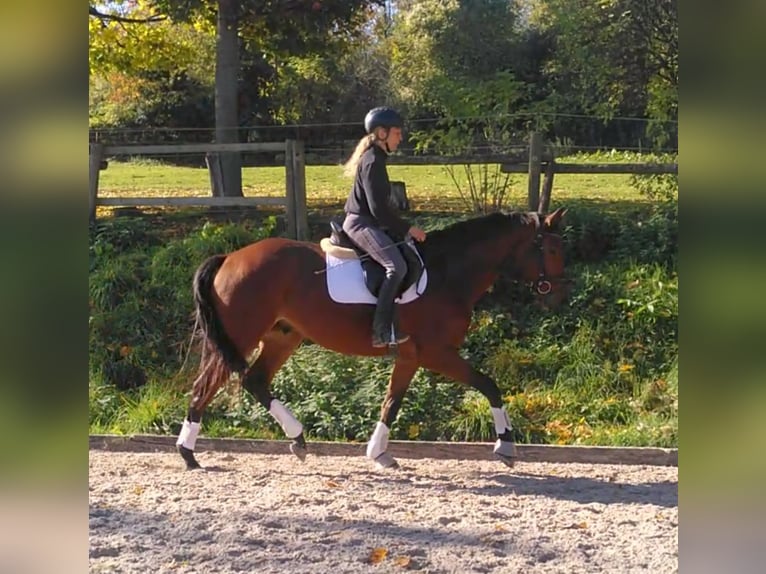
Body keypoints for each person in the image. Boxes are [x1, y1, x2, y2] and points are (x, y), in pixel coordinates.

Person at [342, 106, 427, 348]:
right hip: (360, 224)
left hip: (371, 222)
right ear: (381, 133)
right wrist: (408, 229)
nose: (401, 138)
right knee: (396, 266)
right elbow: (377, 209)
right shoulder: (372, 161)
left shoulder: (377, 158)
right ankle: (380, 331)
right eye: (397, 133)